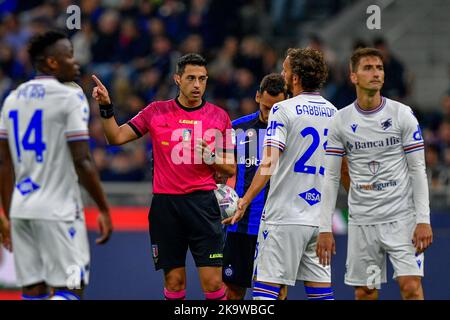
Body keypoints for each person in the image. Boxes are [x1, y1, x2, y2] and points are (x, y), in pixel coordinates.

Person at [91, 53, 236, 300]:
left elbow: (231, 168)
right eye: (191, 78)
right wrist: (106, 106)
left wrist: (212, 158)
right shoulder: (156, 112)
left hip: (203, 205)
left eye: (202, 79)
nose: (197, 85)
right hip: (166, 206)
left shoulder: (220, 117)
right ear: (177, 79)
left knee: (212, 284)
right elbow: (115, 137)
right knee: (174, 282)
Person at [228, 48, 350, 300]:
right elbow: (345, 167)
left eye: (285, 70)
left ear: (295, 78)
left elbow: (269, 161)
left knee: (265, 294)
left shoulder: (283, 110)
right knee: (320, 294)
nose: (282, 74)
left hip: (283, 219)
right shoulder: (336, 113)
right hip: (319, 220)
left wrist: (245, 200)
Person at [0, 30, 112, 300]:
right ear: (51, 62)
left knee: (34, 290)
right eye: (70, 56)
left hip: (22, 211)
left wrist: (7, 214)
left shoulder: (12, 99)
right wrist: (103, 207)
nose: (76, 63)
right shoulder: (70, 97)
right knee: (71, 288)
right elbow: (83, 160)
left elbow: (4, 164)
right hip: (59, 210)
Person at [317, 47, 433, 300]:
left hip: (402, 218)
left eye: (379, 68)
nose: (376, 73)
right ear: (353, 77)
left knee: (411, 287)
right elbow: (331, 177)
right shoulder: (340, 120)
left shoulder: (402, 115)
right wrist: (324, 228)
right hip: (362, 221)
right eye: (368, 68)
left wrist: (423, 219)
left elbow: (417, 170)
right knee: (365, 292)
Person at [222, 73, 287, 300]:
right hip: (241, 222)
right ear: (257, 96)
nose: (270, 115)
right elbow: (224, 172)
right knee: (233, 290)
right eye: (266, 107)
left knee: (276, 292)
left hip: (277, 224)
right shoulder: (237, 129)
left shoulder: (292, 131)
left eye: (276, 109)